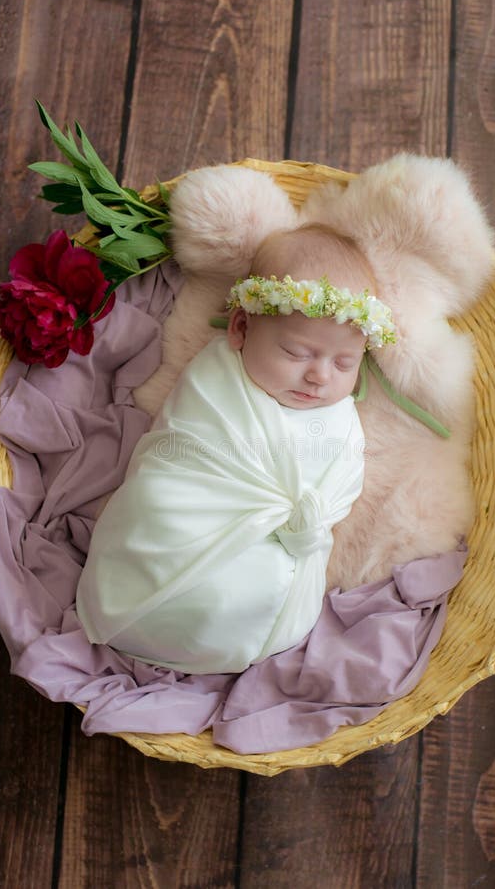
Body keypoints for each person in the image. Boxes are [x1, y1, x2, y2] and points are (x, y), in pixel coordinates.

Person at [75, 224, 395, 674]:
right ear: (241, 328)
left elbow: (339, 486)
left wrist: (302, 520)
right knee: (157, 508)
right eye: (296, 351)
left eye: (344, 363)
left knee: (249, 588)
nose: (320, 376)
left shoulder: (340, 420)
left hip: (275, 555)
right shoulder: (217, 380)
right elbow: (182, 452)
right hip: (185, 518)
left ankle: (224, 628)